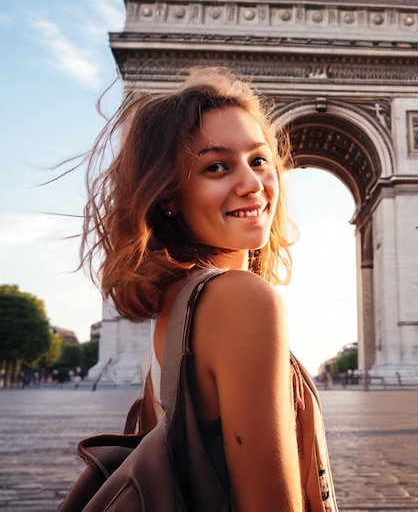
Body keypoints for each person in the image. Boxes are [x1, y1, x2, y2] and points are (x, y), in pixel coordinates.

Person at [79, 67, 337, 511]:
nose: (252, 184)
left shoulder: (177, 306)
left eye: (259, 160)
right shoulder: (242, 299)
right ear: (169, 197)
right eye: (216, 166)